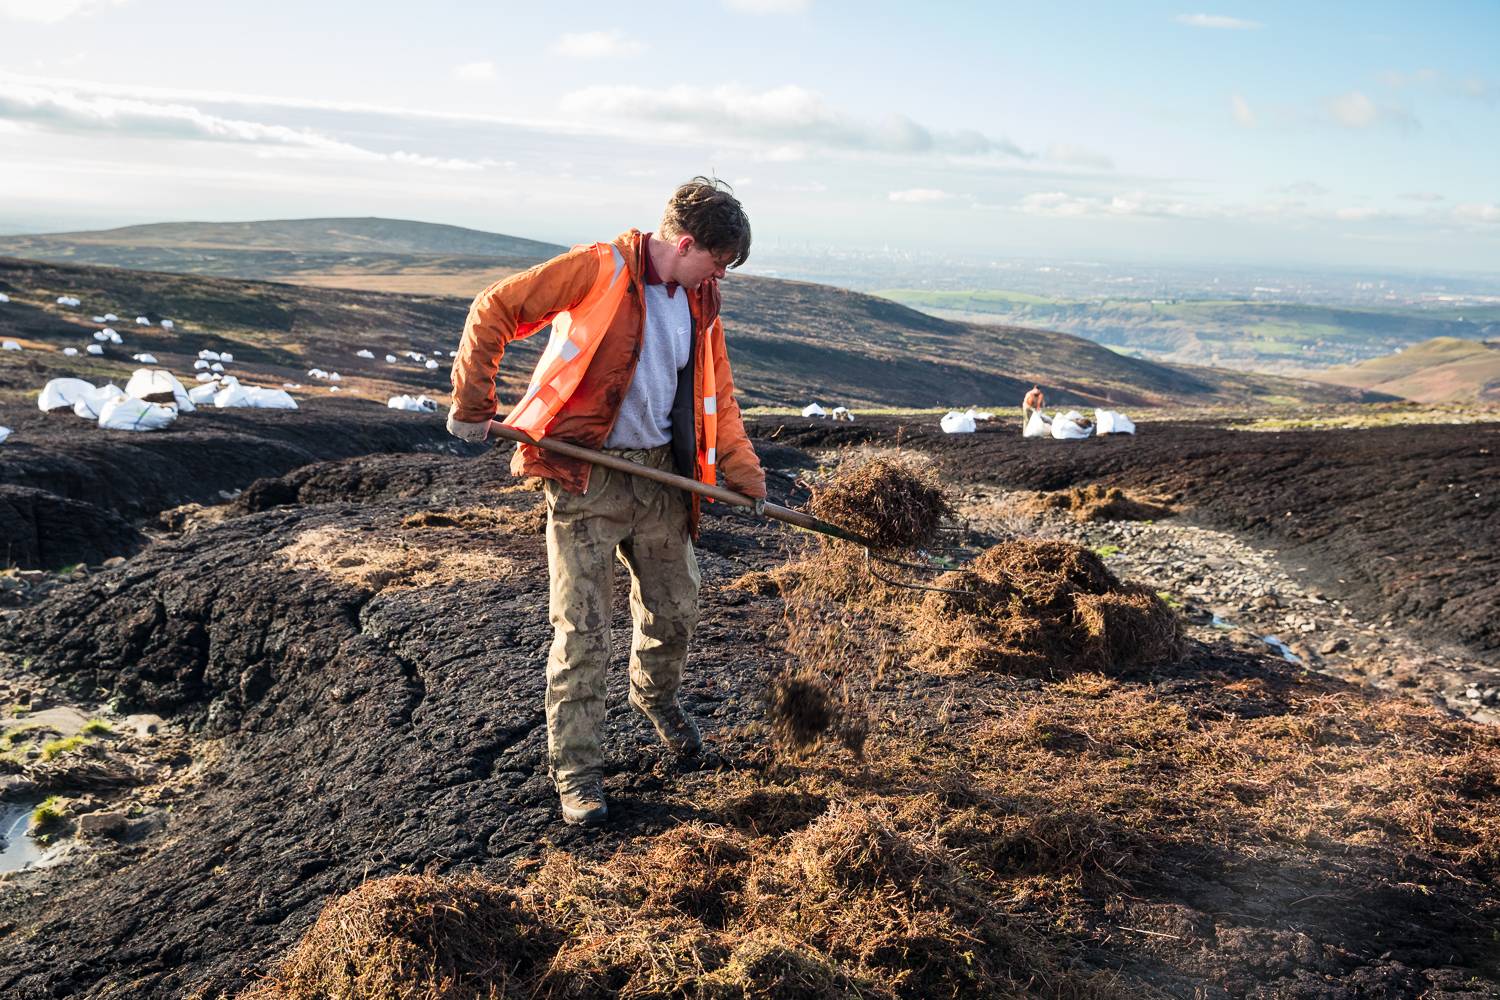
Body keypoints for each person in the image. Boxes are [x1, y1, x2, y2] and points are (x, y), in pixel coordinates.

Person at [446, 178, 766, 826]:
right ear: (685, 243)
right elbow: (495, 307)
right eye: (719, 263)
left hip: (661, 481)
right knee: (584, 631)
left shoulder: (700, 301)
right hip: (586, 479)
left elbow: (717, 396)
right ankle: (577, 775)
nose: (721, 278)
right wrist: (473, 403)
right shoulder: (600, 269)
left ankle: (655, 697)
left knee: (676, 609)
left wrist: (743, 471)